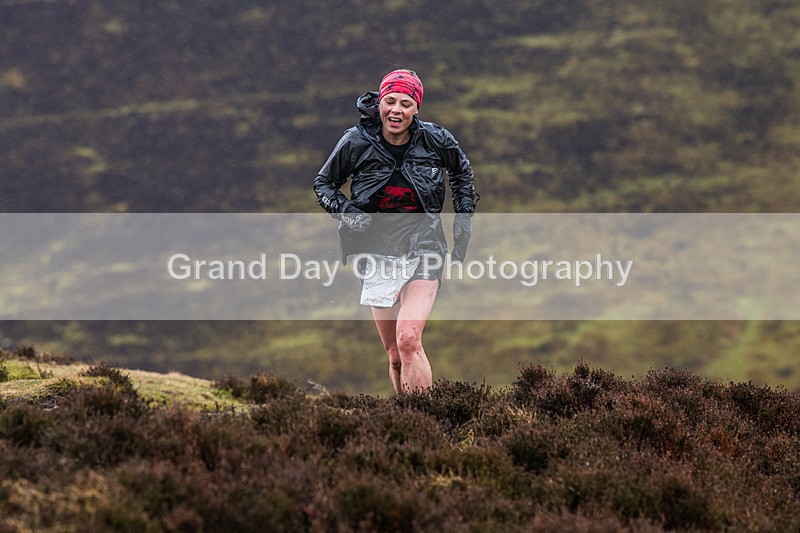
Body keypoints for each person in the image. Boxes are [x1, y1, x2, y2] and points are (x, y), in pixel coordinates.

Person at [314, 69, 477, 395]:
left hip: (425, 246)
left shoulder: (436, 139)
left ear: (417, 108)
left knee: (408, 338)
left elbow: (461, 173)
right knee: (394, 355)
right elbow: (324, 183)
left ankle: (428, 421)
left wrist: (463, 220)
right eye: (390, 101)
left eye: (406, 103)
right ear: (380, 103)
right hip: (375, 250)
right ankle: (406, 420)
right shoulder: (357, 141)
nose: (396, 110)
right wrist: (347, 213)